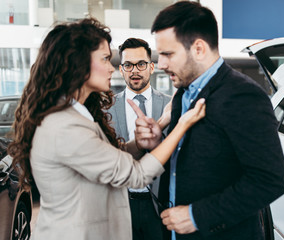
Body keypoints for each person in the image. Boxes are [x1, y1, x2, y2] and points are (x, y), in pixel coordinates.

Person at [7, 18, 205, 240]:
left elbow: (110, 156)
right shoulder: (65, 127)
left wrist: (141, 141)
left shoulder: (76, 116)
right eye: (105, 59)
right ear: (79, 64)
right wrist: (182, 123)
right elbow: (137, 175)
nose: (113, 68)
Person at [135, 1, 284, 240]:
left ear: (198, 49)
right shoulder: (181, 95)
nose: (161, 64)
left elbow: (270, 181)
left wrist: (197, 215)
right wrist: (158, 143)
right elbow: (187, 160)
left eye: (168, 54)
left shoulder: (244, 96)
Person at [108, 37, 171, 240]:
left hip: (160, 204)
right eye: (128, 65)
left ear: (151, 67)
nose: (135, 70)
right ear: (121, 69)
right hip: (120, 204)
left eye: (141, 64)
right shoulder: (105, 109)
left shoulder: (171, 106)